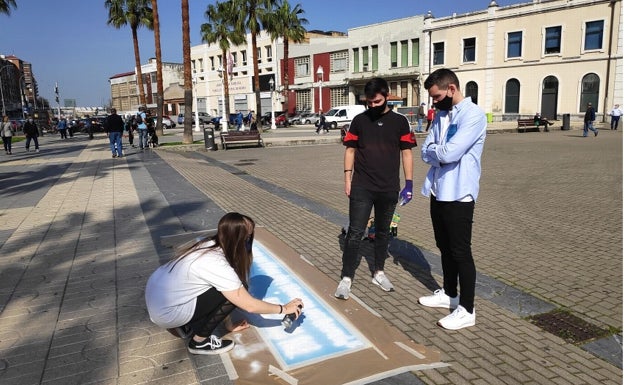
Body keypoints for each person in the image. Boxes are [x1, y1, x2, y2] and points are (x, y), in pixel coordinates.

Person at [145, 212, 304, 355]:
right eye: (248, 237)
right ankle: (199, 343)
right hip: (168, 311)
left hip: (159, 301)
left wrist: (229, 326)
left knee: (230, 289)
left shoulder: (208, 244)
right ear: (242, 240)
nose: (250, 242)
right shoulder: (216, 263)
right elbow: (249, 305)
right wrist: (284, 309)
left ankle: (183, 324)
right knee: (238, 292)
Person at [335, 77, 416, 300]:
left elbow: (406, 152)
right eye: (369, 103)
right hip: (362, 185)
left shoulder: (400, 122)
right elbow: (350, 150)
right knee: (355, 233)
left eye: (377, 102)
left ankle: (378, 272)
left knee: (382, 233)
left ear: (387, 97)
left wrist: (409, 184)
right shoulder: (359, 121)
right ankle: (346, 277)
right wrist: (347, 178)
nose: (373, 106)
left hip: (389, 188)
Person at [418, 68, 486, 330]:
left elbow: (450, 154)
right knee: (444, 247)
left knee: (460, 251)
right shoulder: (441, 116)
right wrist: (438, 151)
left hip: (459, 192)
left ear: (452, 89)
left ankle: (467, 309)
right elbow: (426, 150)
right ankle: (449, 293)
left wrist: (438, 151)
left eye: (436, 96)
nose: (434, 102)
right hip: (438, 190)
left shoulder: (473, 115)